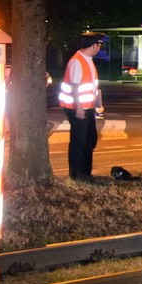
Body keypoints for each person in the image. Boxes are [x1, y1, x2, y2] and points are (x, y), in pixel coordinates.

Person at [58, 32, 106, 180]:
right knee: (79, 141)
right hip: (77, 107)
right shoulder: (77, 61)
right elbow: (74, 86)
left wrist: (98, 105)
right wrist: (78, 107)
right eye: (99, 45)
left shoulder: (87, 59)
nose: (100, 48)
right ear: (94, 45)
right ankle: (77, 173)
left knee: (90, 138)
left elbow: (92, 85)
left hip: (87, 107)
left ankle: (85, 171)